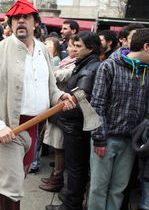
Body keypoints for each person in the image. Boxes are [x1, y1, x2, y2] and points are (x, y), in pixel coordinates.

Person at [0, 0, 75, 209]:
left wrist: (59, 97)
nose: (20, 21)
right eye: (16, 18)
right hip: (8, 129)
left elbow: (50, 87)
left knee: (17, 176)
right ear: (10, 23)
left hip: (35, 127)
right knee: (12, 189)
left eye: (26, 17)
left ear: (35, 22)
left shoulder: (43, 50)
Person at [87, 28, 149, 210]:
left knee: (118, 189)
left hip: (130, 141)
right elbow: (97, 105)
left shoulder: (146, 71)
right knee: (98, 188)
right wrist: (99, 138)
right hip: (106, 139)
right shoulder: (109, 66)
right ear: (146, 47)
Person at [46, 31, 101, 210]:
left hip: (76, 125)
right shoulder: (85, 63)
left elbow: (81, 95)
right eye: (74, 45)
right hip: (73, 124)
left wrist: (64, 103)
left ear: (91, 49)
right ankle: (70, 201)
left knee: (76, 167)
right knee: (75, 166)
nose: (74, 49)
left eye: (79, 46)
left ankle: (71, 205)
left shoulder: (91, 67)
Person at [39, 36, 77, 193]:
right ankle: (54, 175)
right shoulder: (67, 60)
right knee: (56, 145)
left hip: (62, 109)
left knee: (59, 146)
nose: (67, 49)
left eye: (72, 46)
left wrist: (46, 71)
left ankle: (57, 179)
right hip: (56, 107)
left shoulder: (75, 65)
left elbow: (57, 76)